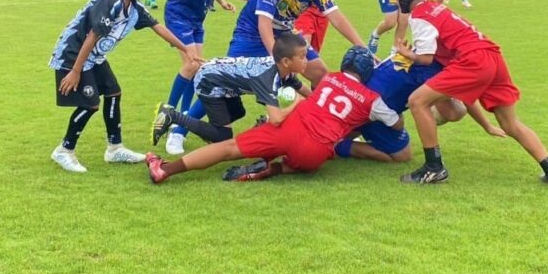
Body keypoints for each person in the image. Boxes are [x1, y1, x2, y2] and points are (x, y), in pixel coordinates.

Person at [164, 0, 366, 155]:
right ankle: (179, 130)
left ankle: (325, 127)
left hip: (285, 34)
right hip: (249, 34)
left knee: (320, 73)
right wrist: (278, 61)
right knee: (223, 84)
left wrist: (363, 48)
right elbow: (264, 24)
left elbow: (336, 17)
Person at [390, 0, 548, 186]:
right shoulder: (436, 7)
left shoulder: (419, 15)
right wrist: (486, 125)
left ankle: (434, 168)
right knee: (510, 123)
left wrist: (409, 54)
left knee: (417, 101)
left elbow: (426, 58)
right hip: (491, 55)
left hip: (472, 60)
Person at [146, 46, 401, 183]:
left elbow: (303, 100)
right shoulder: (371, 99)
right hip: (317, 152)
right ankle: (276, 168)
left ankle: (165, 170)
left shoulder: (328, 79)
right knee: (308, 158)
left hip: (289, 128)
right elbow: (396, 125)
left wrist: (293, 106)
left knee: (228, 146)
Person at [48, 0, 202, 173]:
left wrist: (187, 50)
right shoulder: (111, 2)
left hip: (94, 56)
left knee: (113, 93)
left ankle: (114, 148)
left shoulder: (135, 6)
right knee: (90, 104)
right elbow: (91, 37)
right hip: (73, 55)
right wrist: (75, 71)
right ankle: (64, 150)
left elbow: (158, 28)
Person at [335, 51, 506, 162]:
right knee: (402, 156)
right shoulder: (436, 70)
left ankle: (337, 136)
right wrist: (487, 126)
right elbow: (461, 106)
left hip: (362, 100)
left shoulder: (421, 55)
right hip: (376, 109)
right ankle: (338, 147)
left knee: (355, 124)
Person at [151, 33, 308, 146]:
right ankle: (171, 115)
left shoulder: (283, 70)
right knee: (223, 137)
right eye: (302, 57)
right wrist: (296, 104)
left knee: (238, 112)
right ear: (286, 61)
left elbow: (304, 90)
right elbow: (275, 119)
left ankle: (211, 132)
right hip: (209, 81)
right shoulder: (268, 78)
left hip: (221, 79)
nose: (306, 61)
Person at [161, 0, 250, 127]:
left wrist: (222, 2)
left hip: (195, 19)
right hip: (178, 16)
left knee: (197, 68)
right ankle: (167, 112)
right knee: (192, 65)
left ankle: (183, 114)